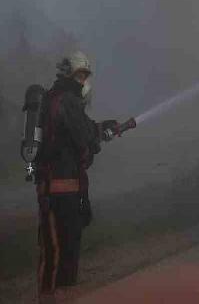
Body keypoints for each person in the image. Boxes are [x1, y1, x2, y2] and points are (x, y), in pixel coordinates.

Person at [35, 51, 130, 300]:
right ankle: (52, 298)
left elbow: (83, 129)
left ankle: (58, 296)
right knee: (61, 254)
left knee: (60, 252)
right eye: (80, 74)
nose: (83, 81)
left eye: (85, 74)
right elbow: (84, 139)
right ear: (68, 73)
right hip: (59, 191)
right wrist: (98, 138)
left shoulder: (57, 100)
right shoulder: (66, 100)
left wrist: (104, 127)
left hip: (61, 189)